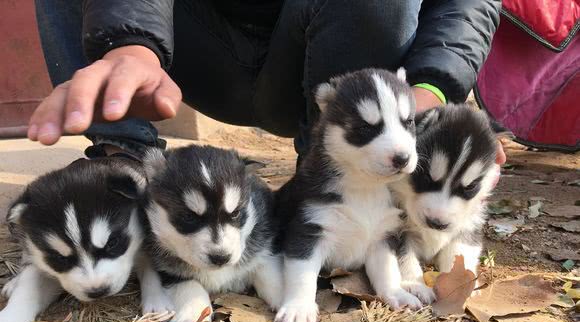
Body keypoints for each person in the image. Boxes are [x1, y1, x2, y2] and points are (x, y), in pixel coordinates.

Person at [29, 0, 505, 164]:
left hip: (337, 64)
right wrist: (130, 43)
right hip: (201, 51)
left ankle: (331, 174)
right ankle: (123, 159)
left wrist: (430, 93)